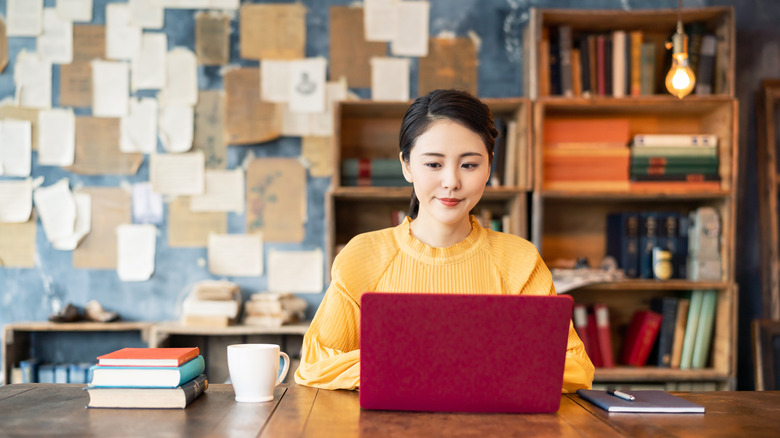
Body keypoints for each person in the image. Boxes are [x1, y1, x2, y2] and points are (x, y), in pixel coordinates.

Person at [294, 89, 594, 393]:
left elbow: (574, 366)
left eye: (469, 165)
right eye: (434, 164)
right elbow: (315, 364)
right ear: (407, 166)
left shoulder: (520, 259)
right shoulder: (363, 255)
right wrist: (459, 366)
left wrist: (417, 366)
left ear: (489, 166)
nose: (451, 181)